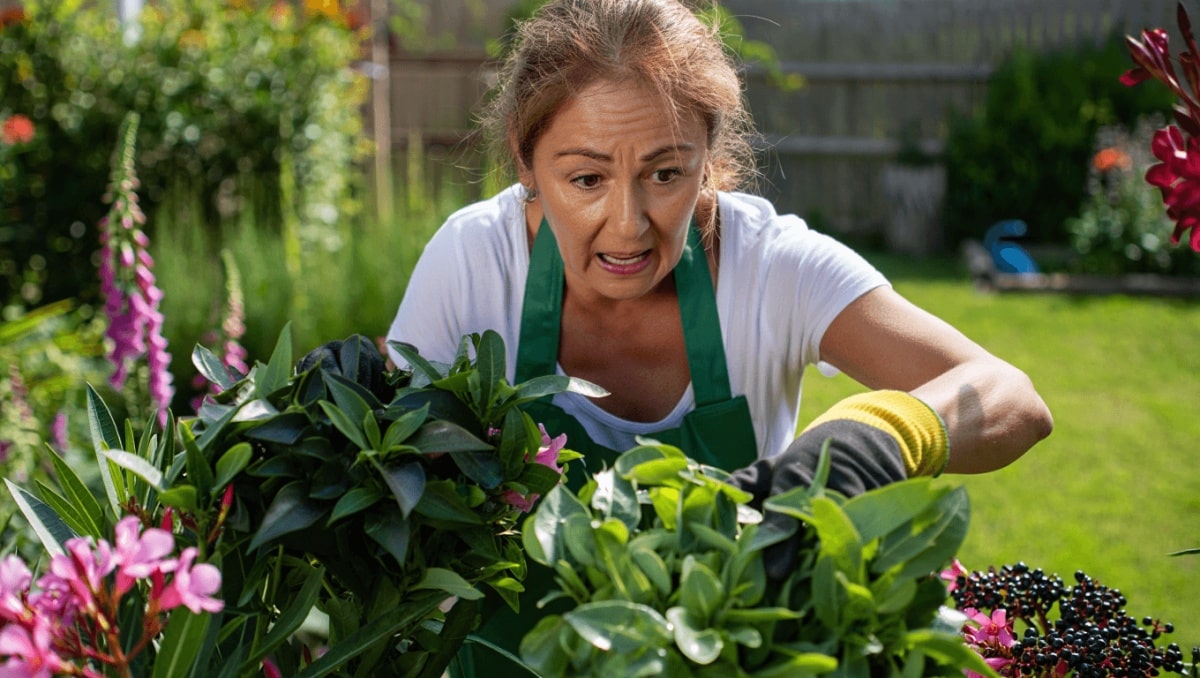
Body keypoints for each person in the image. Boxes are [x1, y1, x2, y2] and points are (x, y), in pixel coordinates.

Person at [384, 0, 1053, 673]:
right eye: (586, 179)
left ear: (708, 157)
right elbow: (385, 464)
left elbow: (1011, 399)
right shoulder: (475, 259)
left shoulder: (771, 267)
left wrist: (876, 439)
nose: (627, 224)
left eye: (665, 174)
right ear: (524, 161)